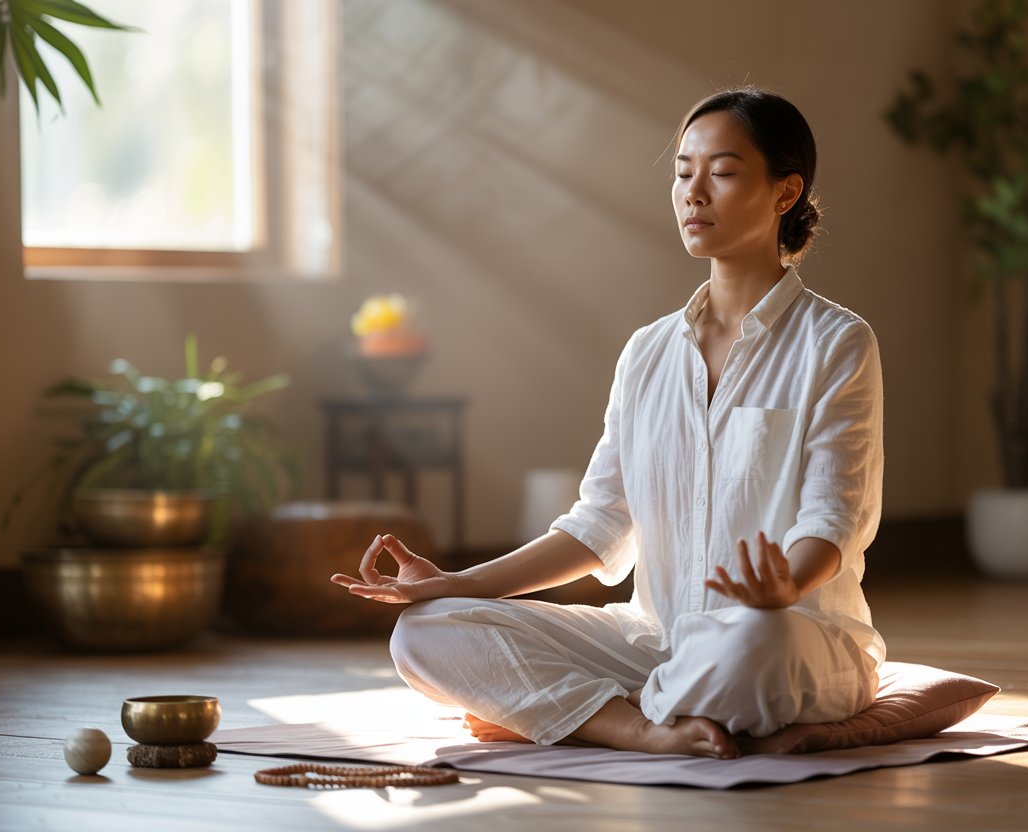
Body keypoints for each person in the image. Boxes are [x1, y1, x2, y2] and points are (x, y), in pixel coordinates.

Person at [332, 89, 885, 760]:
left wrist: (786, 586)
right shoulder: (647, 352)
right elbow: (598, 526)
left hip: (783, 637)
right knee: (422, 633)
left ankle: (567, 706)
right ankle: (637, 727)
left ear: (785, 192)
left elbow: (831, 521)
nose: (694, 193)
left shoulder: (837, 343)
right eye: (683, 171)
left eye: (724, 171)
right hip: (656, 642)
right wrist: (456, 583)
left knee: (747, 646)